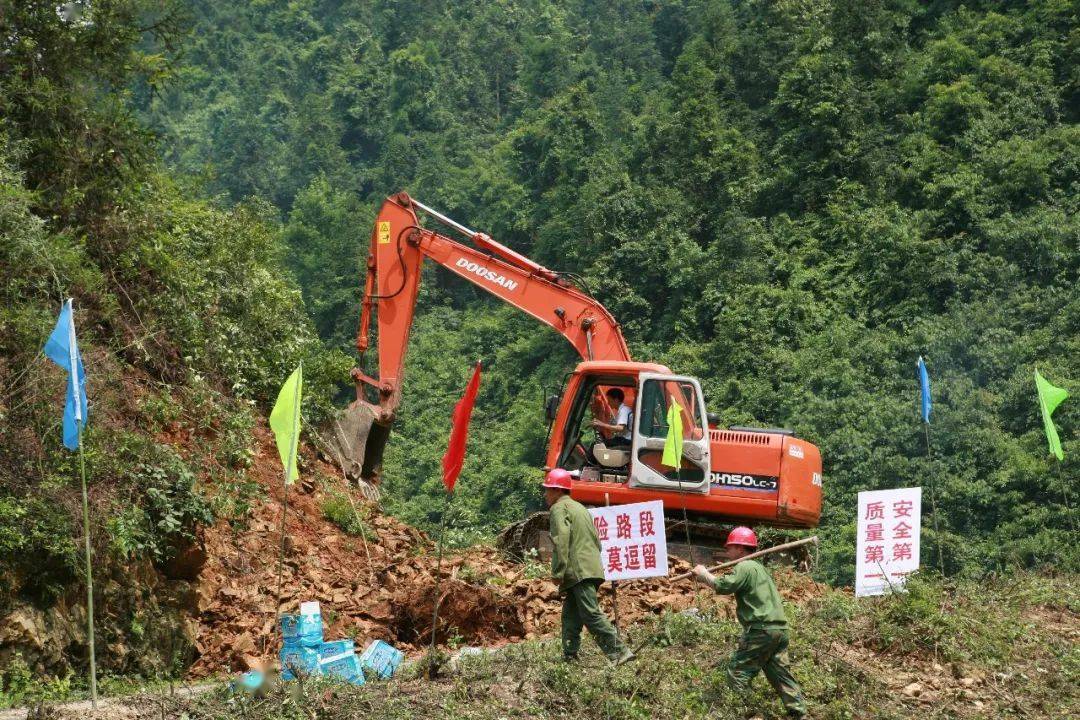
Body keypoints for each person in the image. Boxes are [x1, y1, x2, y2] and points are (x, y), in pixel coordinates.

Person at [692, 527, 807, 718]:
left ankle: (751, 712)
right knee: (779, 674)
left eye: (729, 548)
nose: (727, 552)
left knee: (737, 673)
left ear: (739, 548)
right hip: (779, 630)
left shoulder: (744, 567)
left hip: (761, 630)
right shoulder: (759, 568)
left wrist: (704, 574)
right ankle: (798, 713)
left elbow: (724, 586)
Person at [543, 468, 634, 665]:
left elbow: (561, 540)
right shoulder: (580, 508)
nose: (545, 494)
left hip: (578, 570)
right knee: (571, 615)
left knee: (590, 613)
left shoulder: (559, 509)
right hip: (591, 568)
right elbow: (597, 541)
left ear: (558, 491)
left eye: (548, 489)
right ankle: (570, 656)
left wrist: (558, 572)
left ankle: (620, 652)